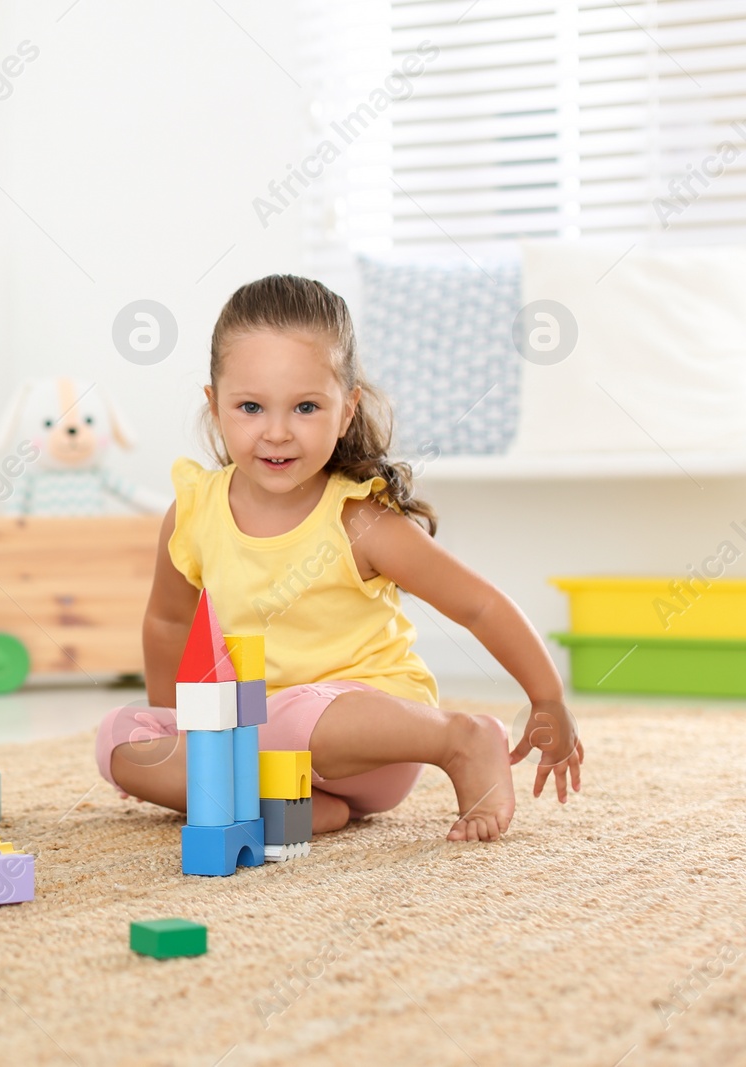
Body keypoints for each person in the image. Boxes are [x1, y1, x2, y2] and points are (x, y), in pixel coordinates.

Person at [96, 274, 583, 842]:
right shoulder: (193, 512)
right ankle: (301, 808)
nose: (276, 433)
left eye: (305, 407)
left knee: (299, 715)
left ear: (347, 410)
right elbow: (169, 620)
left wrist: (547, 697)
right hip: (261, 734)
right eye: (250, 407)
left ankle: (461, 737)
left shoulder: (359, 520)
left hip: (369, 743)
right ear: (215, 405)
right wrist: (183, 730)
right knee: (119, 739)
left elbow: (478, 605)